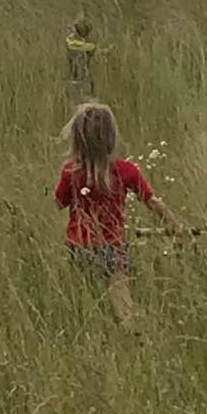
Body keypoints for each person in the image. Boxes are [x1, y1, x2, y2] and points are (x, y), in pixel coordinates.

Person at [55, 99, 178, 327]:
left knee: (83, 297)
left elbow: (59, 202)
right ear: (111, 138)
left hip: (78, 245)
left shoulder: (70, 172)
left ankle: (92, 329)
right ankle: (134, 328)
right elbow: (152, 202)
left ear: (77, 139)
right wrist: (174, 225)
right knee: (121, 296)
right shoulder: (126, 170)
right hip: (112, 245)